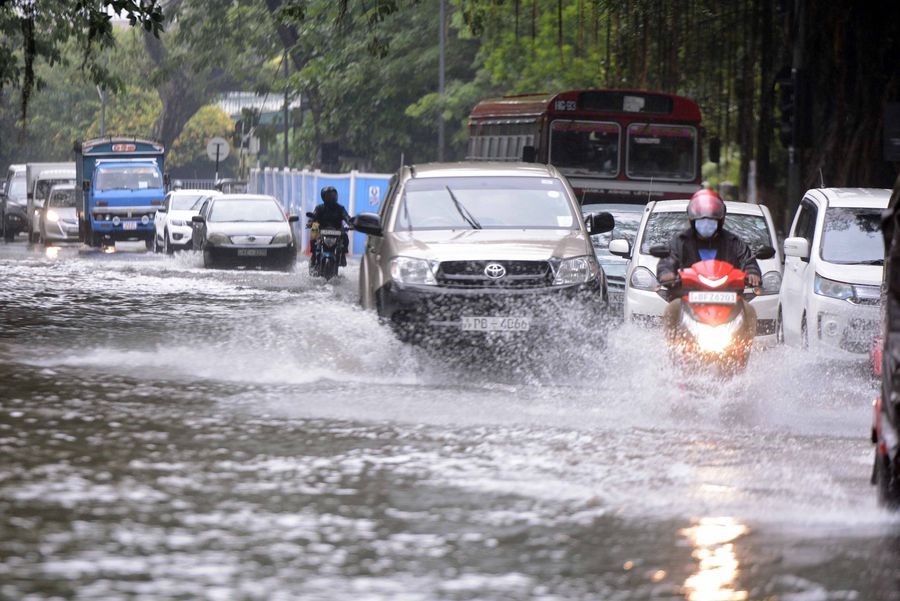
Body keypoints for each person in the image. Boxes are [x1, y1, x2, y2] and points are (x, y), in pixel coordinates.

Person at [657, 189, 762, 341]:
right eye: (701, 221)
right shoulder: (680, 241)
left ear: (720, 220)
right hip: (688, 298)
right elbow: (668, 260)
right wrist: (667, 273)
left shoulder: (734, 242)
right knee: (671, 309)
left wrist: (752, 273)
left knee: (750, 311)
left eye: (711, 221)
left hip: (730, 300)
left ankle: (742, 354)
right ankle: (674, 352)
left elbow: (748, 260)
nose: (706, 225)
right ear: (692, 220)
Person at [310, 186, 352, 266]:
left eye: (334, 195)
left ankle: (343, 255)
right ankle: (314, 255)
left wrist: (351, 223)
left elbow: (346, 216)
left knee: (345, 237)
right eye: (329, 196)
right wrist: (310, 222)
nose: (332, 197)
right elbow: (313, 216)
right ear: (324, 197)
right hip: (321, 230)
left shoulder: (340, 208)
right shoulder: (319, 208)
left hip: (337, 230)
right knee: (314, 229)